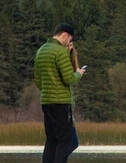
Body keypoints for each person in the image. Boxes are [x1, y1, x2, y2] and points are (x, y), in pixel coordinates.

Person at [35, 23, 85, 163]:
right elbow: (69, 79)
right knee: (65, 141)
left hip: (46, 101)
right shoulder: (60, 52)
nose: (69, 42)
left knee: (51, 141)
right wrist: (79, 74)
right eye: (70, 39)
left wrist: (49, 88)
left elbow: (38, 80)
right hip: (61, 103)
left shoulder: (41, 51)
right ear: (64, 35)